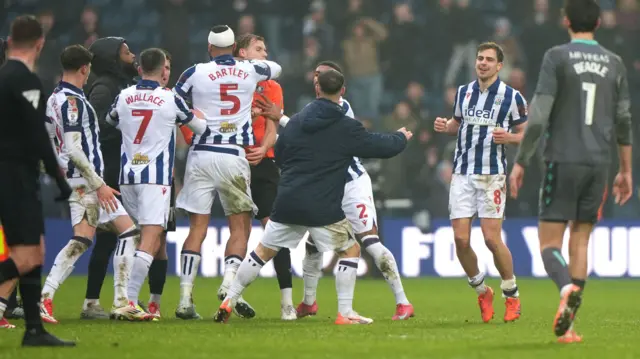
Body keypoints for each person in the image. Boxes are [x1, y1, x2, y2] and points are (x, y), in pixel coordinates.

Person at [214, 69, 411, 325]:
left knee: (262, 251)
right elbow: (379, 146)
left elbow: (281, 153)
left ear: (317, 89)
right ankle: (345, 313)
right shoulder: (345, 127)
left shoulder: (296, 121)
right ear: (342, 91)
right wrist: (400, 138)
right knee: (351, 249)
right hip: (322, 205)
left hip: (287, 201)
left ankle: (228, 300)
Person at [510, 0, 632, 344]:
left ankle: (565, 289)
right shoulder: (615, 62)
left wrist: (520, 160)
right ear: (599, 22)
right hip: (599, 164)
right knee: (581, 242)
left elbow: (539, 115)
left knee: (549, 243)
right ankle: (569, 327)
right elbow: (624, 120)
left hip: (562, 160)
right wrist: (625, 170)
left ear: (565, 21)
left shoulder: (557, 57)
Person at [173, 25, 281, 320]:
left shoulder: (195, 71)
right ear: (235, 48)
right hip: (234, 155)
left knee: (197, 228)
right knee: (240, 228)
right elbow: (276, 68)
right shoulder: (250, 70)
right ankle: (228, 284)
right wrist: (245, 65)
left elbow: (175, 100)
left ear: (209, 47)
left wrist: (194, 122)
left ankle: (184, 299)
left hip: (201, 152)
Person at [39, 44, 151, 323]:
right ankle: (44, 299)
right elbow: (74, 148)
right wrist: (98, 183)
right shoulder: (73, 102)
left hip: (78, 178)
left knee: (127, 232)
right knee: (82, 239)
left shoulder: (54, 98)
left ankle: (122, 302)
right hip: (86, 181)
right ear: (84, 69)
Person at [105, 48, 206, 318]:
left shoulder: (124, 96)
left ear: (139, 68)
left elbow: (110, 120)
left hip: (128, 177)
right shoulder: (170, 98)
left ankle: (121, 298)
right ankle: (130, 301)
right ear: (163, 69)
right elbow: (199, 127)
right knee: (151, 238)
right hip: (155, 179)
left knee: (131, 237)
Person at [433, 42, 527, 323]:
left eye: (489, 59)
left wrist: (509, 138)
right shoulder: (463, 92)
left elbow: (529, 134)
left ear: (499, 66)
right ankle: (481, 290)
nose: (482, 63)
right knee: (461, 240)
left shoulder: (512, 97)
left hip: (491, 175)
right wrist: (446, 127)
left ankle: (511, 294)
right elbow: (458, 125)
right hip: (461, 173)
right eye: (479, 58)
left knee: (490, 238)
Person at [0, 15, 74, 346]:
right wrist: (59, 180)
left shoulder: (3, 77)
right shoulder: (25, 81)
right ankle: (34, 329)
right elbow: (37, 136)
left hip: (10, 176)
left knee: (34, 250)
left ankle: (34, 330)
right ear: (40, 43)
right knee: (28, 256)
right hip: (15, 177)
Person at [235, 33, 296, 320]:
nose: (264, 53)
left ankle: (287, 301)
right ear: (243, 53)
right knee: (240, 231)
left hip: (264, 162)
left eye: (266, 49)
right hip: (234, 162)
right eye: (258, 49)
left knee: (275, 230)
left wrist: (263, 148)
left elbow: (273, 127)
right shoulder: (232, 84)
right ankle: (232, 292)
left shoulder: (272, 87)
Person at [80, 36, 139, 319]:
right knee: (102, 238)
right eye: (126, 51)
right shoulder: (104, 88)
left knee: (109, 239)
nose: (132, 54)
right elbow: (95, 130)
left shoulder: (122, 83)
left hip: (119, 168)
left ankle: (96, 301)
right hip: (108, 171)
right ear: (112, 58)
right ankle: (94, 301)